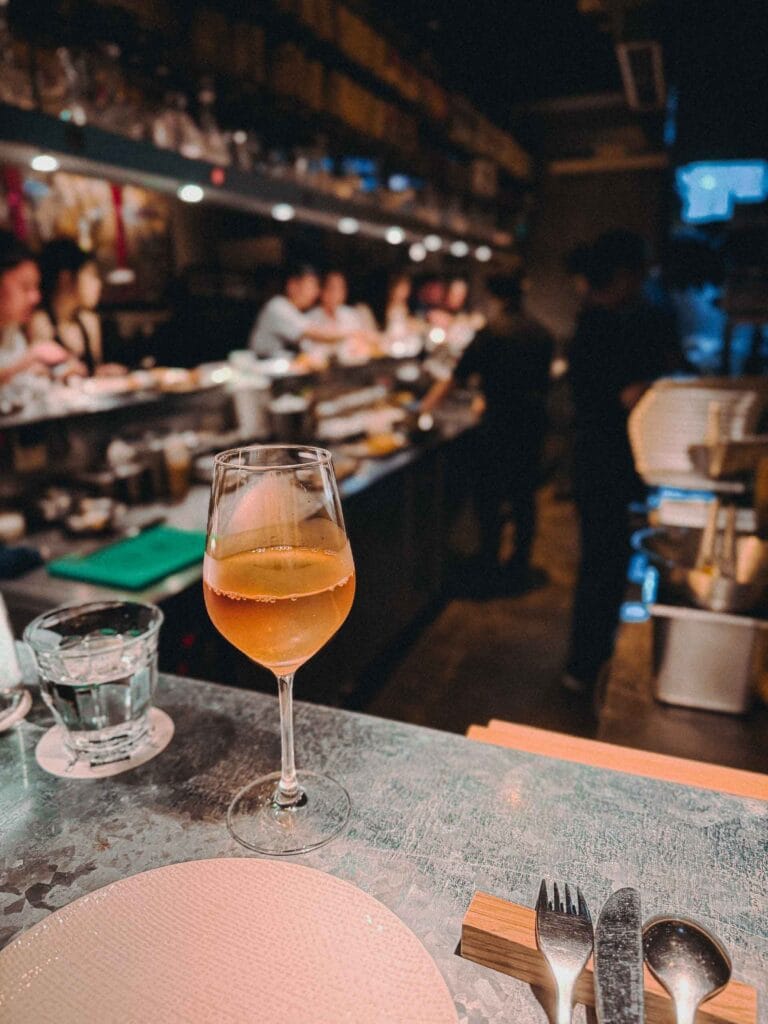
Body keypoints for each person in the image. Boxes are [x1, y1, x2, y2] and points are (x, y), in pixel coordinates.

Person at [564, 229, 680, 698]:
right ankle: (584, 665)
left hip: (601, 463)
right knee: (603, 567)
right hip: (603, 466)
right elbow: (628, 396)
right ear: (621, 275)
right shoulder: (601, 327)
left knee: (604, 565)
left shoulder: (599, 321)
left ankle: (588, 660)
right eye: (637, 274)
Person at [421, 273, 554, 594]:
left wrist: (424, 408)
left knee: (490, 496)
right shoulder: (541, 333)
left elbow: (457, 376)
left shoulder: (491, 332)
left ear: (494, 296)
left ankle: (489, 561)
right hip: (532, 423)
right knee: (524, 496)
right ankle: (520, 562)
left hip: (499, 424)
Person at [27, 239, 125, 377]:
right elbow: (38, 377)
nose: (98, 284)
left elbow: (91, 373)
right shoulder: (40, 322)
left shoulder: (89, 320)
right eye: (91, 275)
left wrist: (101, 372)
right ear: (65, 278)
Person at [0, 230, 68, 385]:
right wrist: (28, 359)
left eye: (36, 287)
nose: (36, 297)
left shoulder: (12, 332)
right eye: (25, 287)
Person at [249, 263, 360, 358]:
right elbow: (317, 334)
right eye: (311, 286)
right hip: (263, 366)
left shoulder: (294, 312)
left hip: (277, 364)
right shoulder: (278, 306)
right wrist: (353, 333)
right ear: (292, 285)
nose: (315, 292)